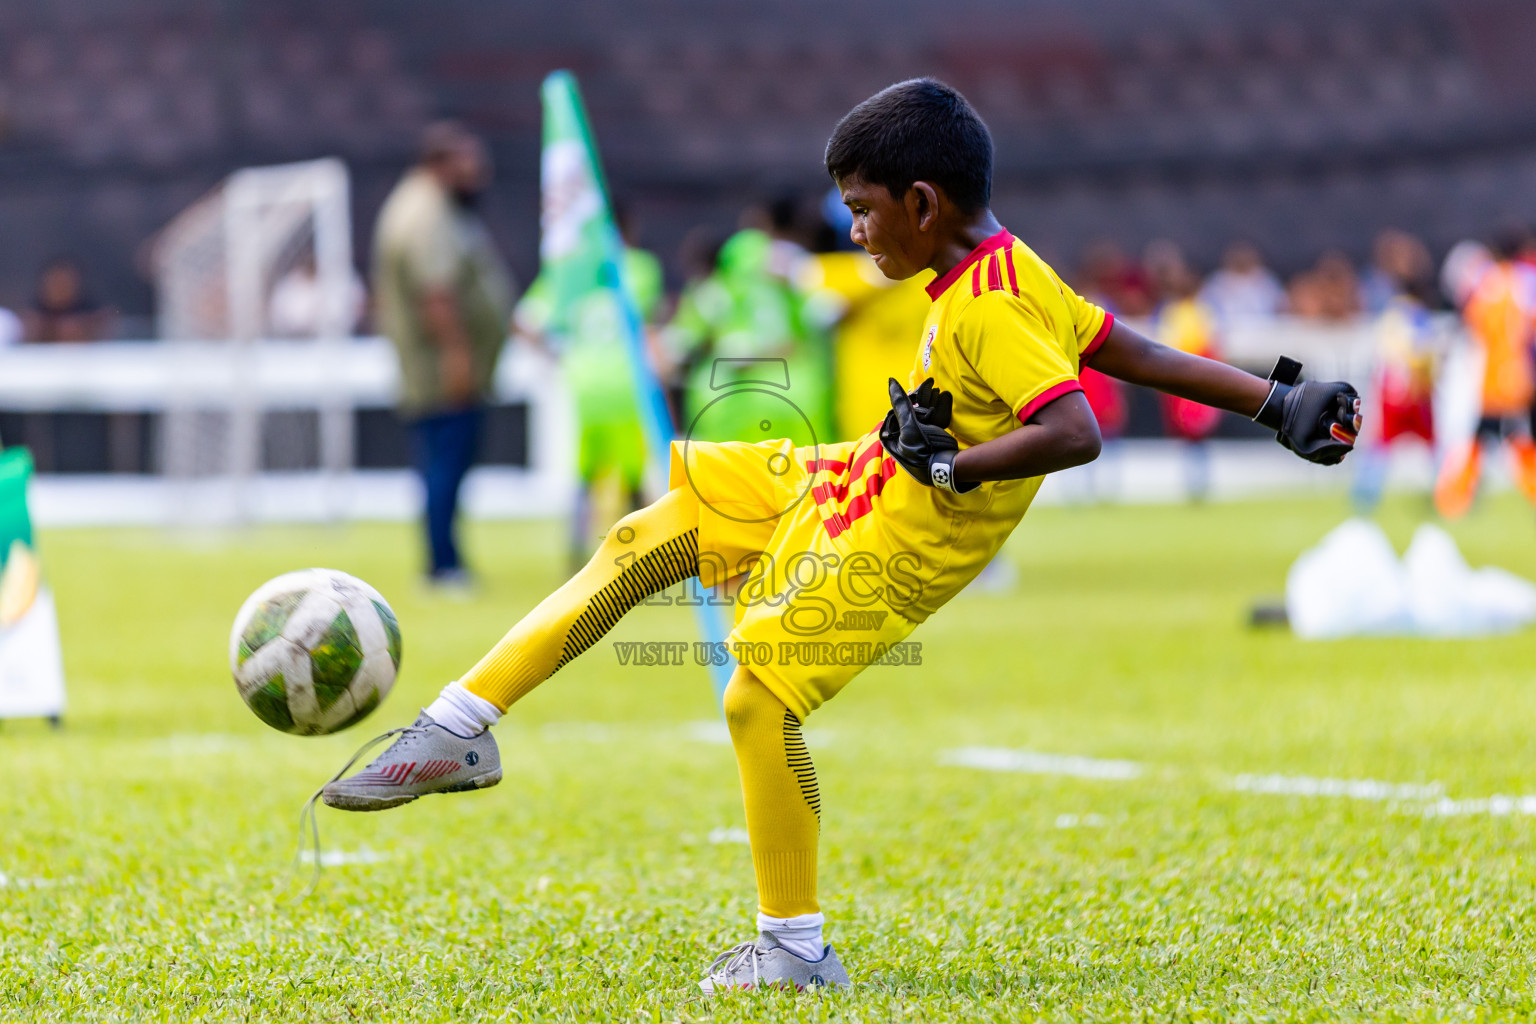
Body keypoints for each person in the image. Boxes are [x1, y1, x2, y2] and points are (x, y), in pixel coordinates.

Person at [319, 79, 1361, 991]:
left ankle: (793, 945)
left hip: (907, 531)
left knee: (757, 691)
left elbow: (1073, 429)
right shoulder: (999, 263)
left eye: (861, 211)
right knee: (656, 525)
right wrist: (1273, 401)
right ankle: (458, 728)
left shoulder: (991, 300)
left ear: (921, 202)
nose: (853, 229)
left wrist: (953, 463)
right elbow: (1118, 343)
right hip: (861, 475)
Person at [372, 121, 514, 588]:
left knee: (447, 465)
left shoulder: (431, 207)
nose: (479, 173)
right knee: (444, 465)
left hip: (446, 366)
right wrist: (458, 359)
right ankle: (443, 565)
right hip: (443, 371)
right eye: (468, 163)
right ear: (440, 164)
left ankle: (447, 560)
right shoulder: (428, 214)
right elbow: (437, 295)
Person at [514, 207, 664, 568]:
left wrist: (556, 352)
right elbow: (650, 324)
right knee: (632, 474)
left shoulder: (569, 272)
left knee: (584, 473)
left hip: (585, 385)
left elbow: (524, 321)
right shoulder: (641, 268)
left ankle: (576, 555)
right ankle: (644, 556)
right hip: (628, 384)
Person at [1434, 229, 1536, 518]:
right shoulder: (1523, 282)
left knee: (1485, 438)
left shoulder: (1489, 284)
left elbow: (1474, 323)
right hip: (1518, 375)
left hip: (1491, 377)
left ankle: (1454, 498)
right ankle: (1458, 497)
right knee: (1512, 438)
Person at [1148, 241, 1224, 500]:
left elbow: (1211, 347)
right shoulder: (1171, 312)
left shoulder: (1202, 311)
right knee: (1188, 437)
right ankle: (1193, 485)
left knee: (1199, 435)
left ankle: (1200, 485)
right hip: (1181, 384)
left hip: (1198, 381)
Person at [1198, 241, 1286, 325]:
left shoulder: (1266, 280)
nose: (1242, 258)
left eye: (1246, 255)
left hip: (1263, 331)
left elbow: (1281, 306)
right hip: (1227, 331)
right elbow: (1203, 308)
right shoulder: (1217, 282)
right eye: (1238, 256)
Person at [24, 258, 109, 342]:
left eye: (64, 282)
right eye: (55, 282)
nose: (60, 288)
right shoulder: (33, 316)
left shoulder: (92, 314)